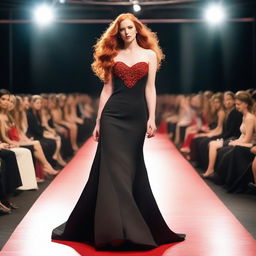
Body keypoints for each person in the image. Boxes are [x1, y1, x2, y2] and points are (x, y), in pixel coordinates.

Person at [52, 13, 185, 250]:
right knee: (113, 171)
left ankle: (124, 224)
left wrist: (152, 117)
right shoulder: (113, 56)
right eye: (122, 29)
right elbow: (107, 89)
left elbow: (151, 89)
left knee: (131, 169)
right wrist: (98, 121)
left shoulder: (150, 55)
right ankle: (116, 229)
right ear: (118, 32)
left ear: (137, 29)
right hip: (113, 116)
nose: (126, 32)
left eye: (130, 28)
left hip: (136, 117)